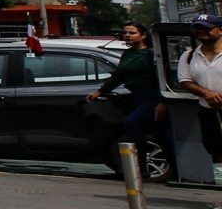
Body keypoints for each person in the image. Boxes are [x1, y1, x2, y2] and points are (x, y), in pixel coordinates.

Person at [93, 21, 170, 182]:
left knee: (132, 123)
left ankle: (144, 166)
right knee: (154, 133)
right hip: (136, 96)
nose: (127, 35)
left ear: (143, 35)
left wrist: (163, 101)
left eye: (132, 32)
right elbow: (119, 76)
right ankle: (148, 167)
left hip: (152, 97)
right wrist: (100, 91)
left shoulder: (151, 54)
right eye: (125, 32)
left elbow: (162, 78)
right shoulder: (127, 54)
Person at [175, 16, 222, 171]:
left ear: (220, 30)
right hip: (208, 111)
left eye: (207, 28)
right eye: (198, 29)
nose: (202, 32)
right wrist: (206, 93)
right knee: (215, 149)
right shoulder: (189, 56)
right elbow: (184, 80)